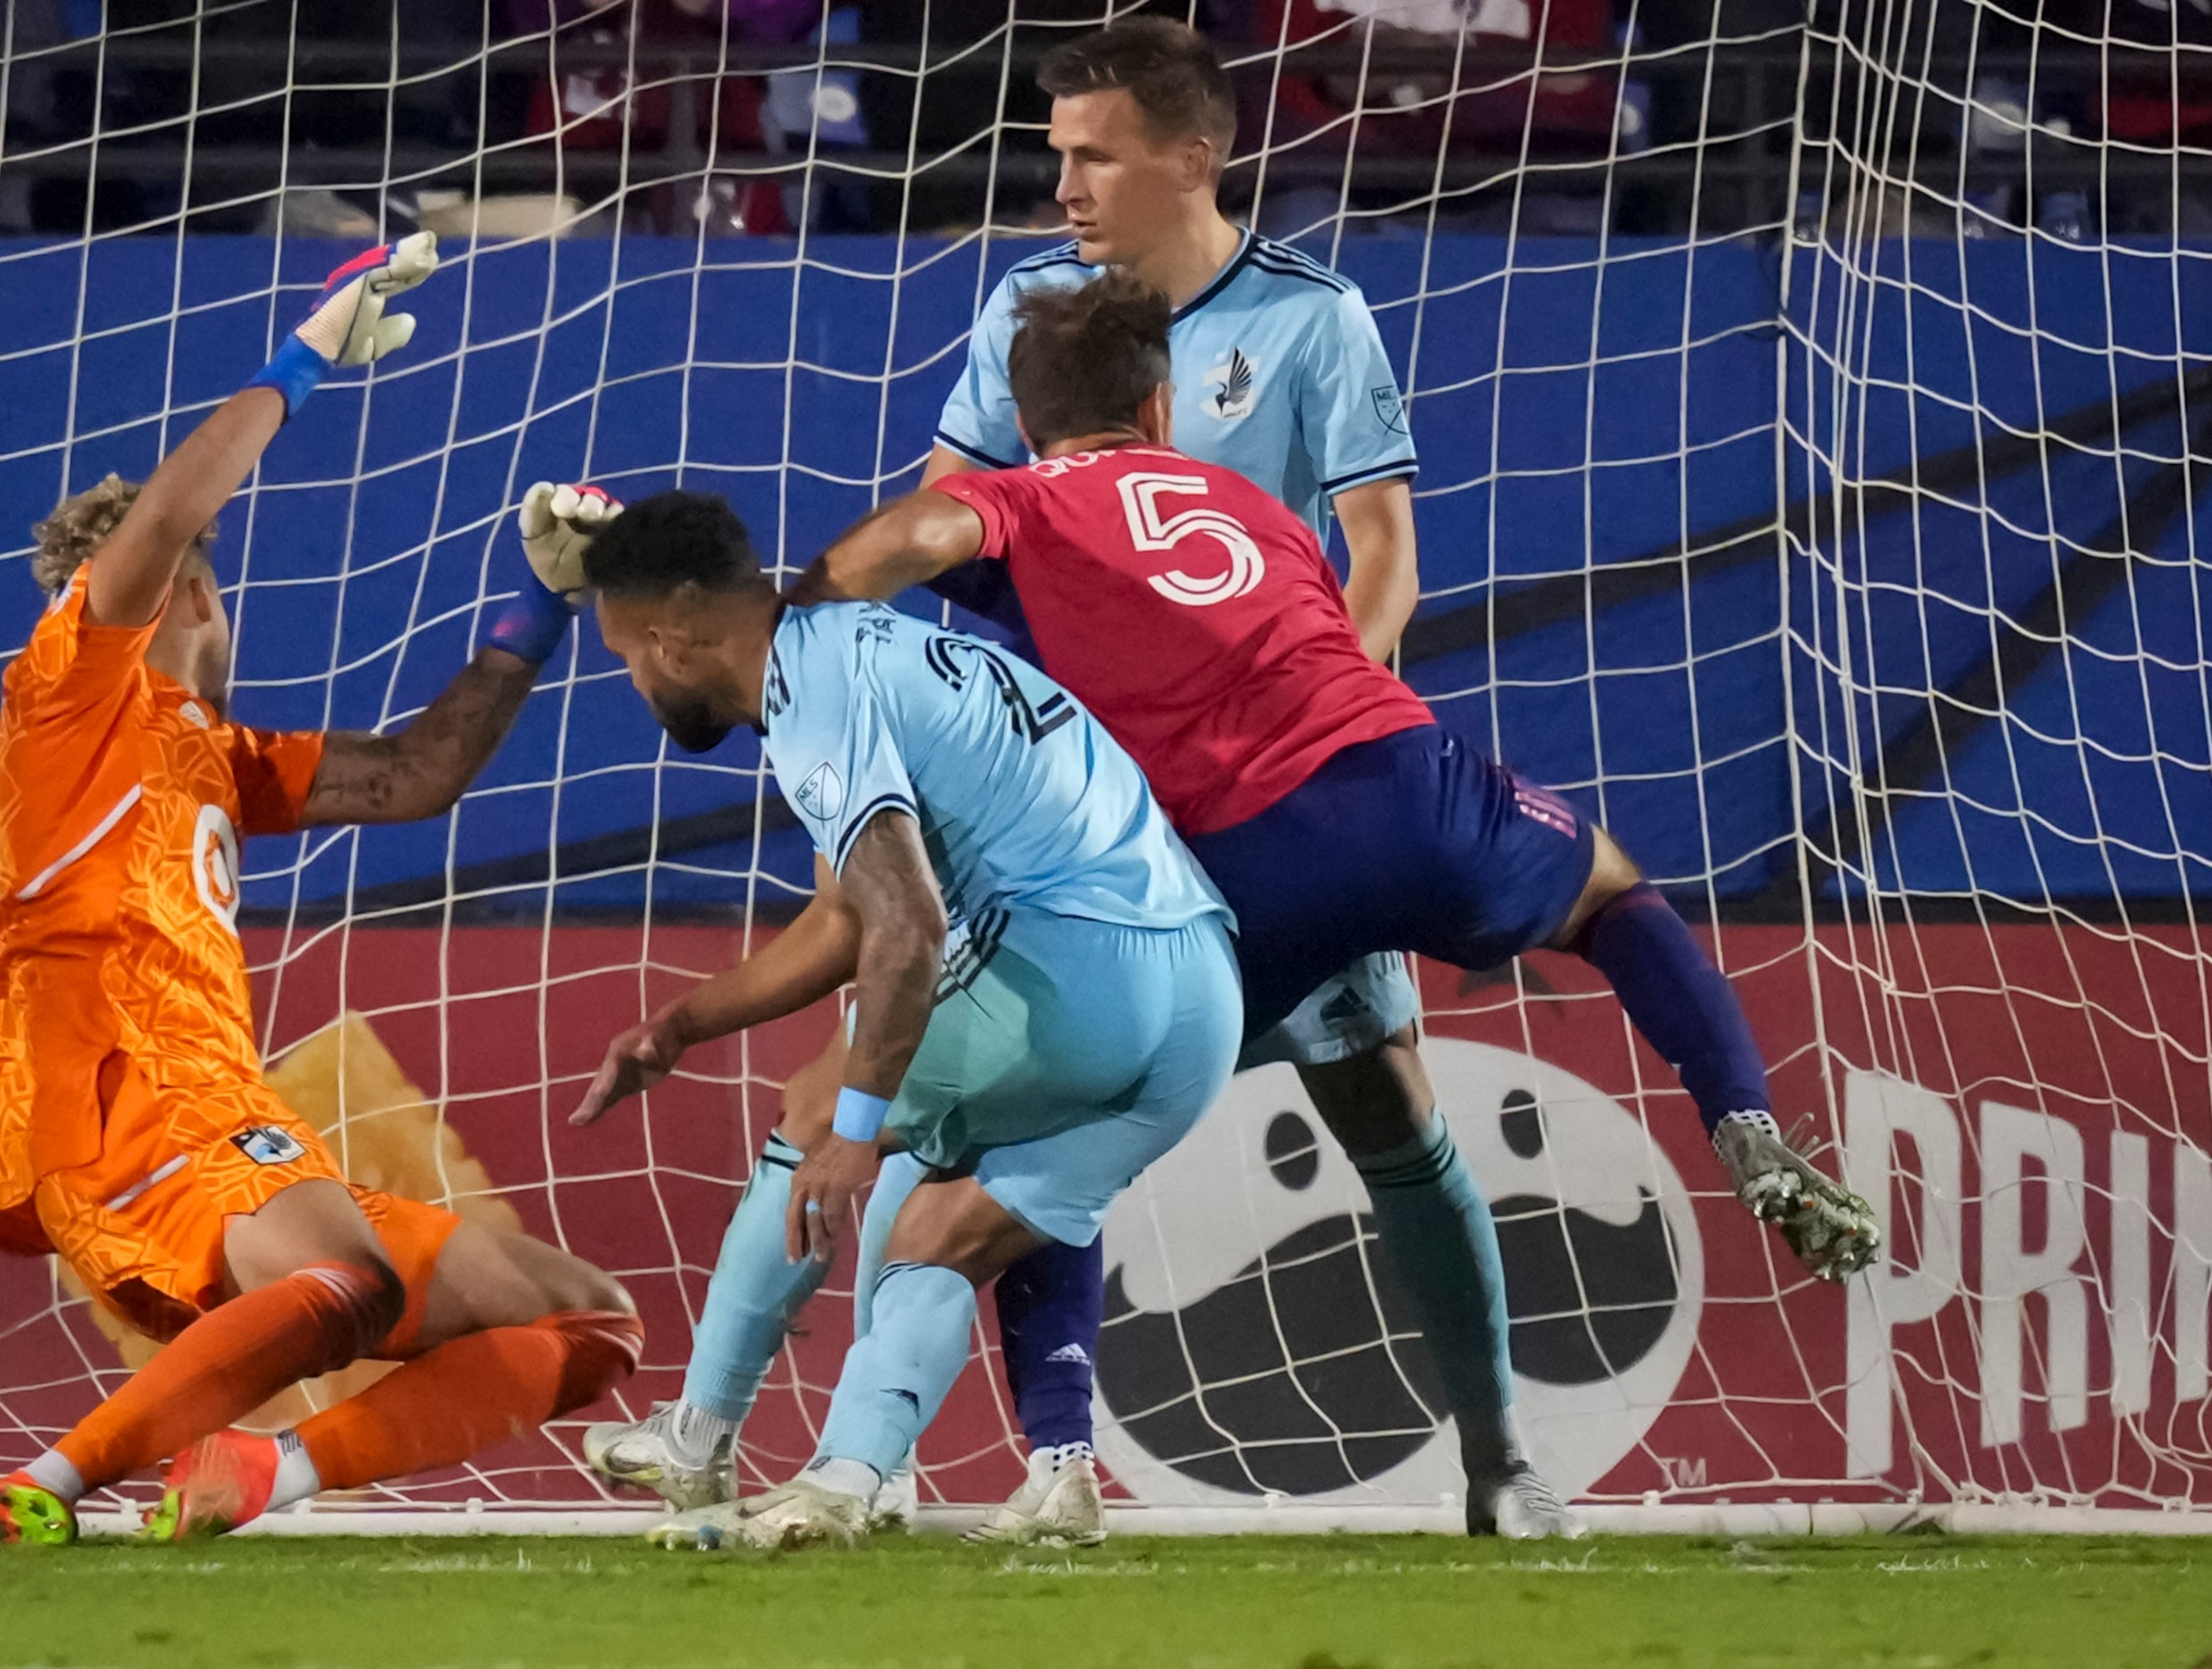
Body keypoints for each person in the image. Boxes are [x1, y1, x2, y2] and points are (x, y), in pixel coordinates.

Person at [581, 14, 1537, 1545]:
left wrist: (1311, 741)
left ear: (1192, 159)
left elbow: (1381, 555)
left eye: (1090, 155)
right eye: (1055, 153)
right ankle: (1039, 1458)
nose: (1063, 185)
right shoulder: (1027, 307)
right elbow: (954, 522)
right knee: (998, 1142)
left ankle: (1496, 1452)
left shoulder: (1313, 318)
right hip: (1089, 803)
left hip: (1264, 800)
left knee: (1362, 1106)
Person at [798, 274, 1885, 1513]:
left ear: (1023, 414)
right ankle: (1735, 1136)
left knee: (1030, 1142)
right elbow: (1358, 584)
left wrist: (807, 630)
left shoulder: (1008, 501)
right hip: (1409, 781)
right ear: (1160, 403)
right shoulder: (1250, 500)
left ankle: (1002, 1462)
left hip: (1239, 858)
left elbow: (906, 543)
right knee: (1596, 903)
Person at [0, 236, 641, 1547]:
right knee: (348, 1278)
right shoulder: (72, 694)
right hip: (120, 1090)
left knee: (580, 1317)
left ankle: (267, 1474)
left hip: (222, 1113)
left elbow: (420, 774)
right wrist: (305, 357)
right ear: (194, 583)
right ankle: (46, 1487)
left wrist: (538, 608)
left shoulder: (215, 759)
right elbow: (158, 522)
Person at [566, 491, 1242, 1551]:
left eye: (625, 657)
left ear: (675, 636)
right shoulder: (870, 642)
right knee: (939, 1230)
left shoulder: (812, 699)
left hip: (1074, 974)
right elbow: (846, 918)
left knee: (812, 1108)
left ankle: (697, 1439)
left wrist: (855, 1119)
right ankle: (846, 1479)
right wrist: (681, 1025)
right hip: (1199, 1005)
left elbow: (908, 928)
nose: (635, 682)